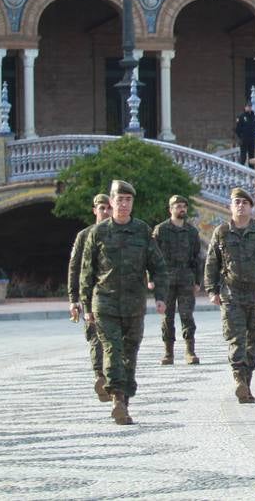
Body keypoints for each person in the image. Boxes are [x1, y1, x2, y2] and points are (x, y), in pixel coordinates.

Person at [79, 179, 168, 426]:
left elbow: (158, 267)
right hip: (105, 303)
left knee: (130, 353)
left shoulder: (141, 230)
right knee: (113, 351)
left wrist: (160, 296)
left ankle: (124, 401)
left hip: (134, 304)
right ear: (111, 201)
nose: (124, 204)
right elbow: (87, 272)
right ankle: (117, 397)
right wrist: (86, 306)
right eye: (119, 199)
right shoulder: (98, 233)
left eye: (128, 200)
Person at [204, 187, 255, 403]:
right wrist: (211, 289)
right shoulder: (221, 232)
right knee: (236, 339)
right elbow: (212, 262)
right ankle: (239, 378)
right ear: (230, 207)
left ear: (251, 207)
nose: (240, 206)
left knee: (254, 341)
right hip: (231, 294)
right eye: (237, 202)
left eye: (244, 203)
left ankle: (246, 383)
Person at [67, 193, 112, 402]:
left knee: (114, 340)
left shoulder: (118, 233)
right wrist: (73, 299)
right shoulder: (83, 236)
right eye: (102, 208)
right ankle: (100, 376)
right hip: (91, 296)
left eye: (108, 207)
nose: (106, 211)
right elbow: (74, 268)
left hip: (113, 295)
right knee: (95, 338)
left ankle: (112, 377)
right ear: (95, 210)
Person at [152, 194, 202, 365]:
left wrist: (197, 281)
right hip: (166, 279)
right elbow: (152, 256)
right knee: (167, 317)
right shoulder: (161, 230)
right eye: (177, 206)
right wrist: (152, 278)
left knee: (187, 315)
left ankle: (190, 351)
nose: (181, 209)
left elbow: (197, 257)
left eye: (183, 206)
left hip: (186, 278)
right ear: (170, 209)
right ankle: (168, 352)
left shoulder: (192, 231)